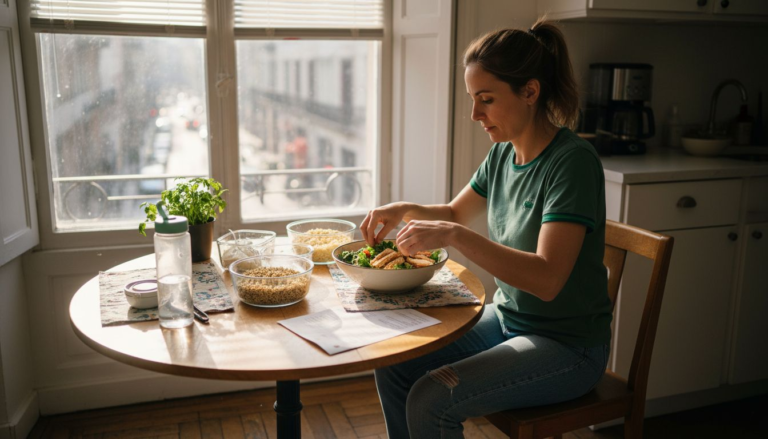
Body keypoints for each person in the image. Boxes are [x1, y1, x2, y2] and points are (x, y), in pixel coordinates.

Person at [362, 18, 612, 438]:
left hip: (569, 347)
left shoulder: (572, 163)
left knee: (432, 399)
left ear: (530, 91)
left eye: (487, 99)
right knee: (395, 363)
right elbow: (455, 213)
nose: (476, 114)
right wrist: (404, 208)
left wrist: (455, 236)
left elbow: (548, 279)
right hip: (511, 320)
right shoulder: (503, 155)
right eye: (473, 99)